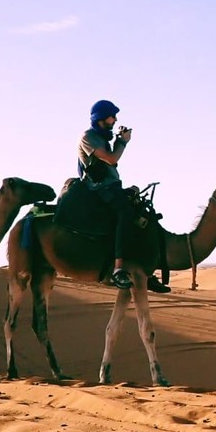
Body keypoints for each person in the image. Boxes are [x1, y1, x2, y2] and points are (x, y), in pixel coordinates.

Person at [77, 99, 171, 293]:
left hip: (111, 187)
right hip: (98, 189)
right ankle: (118, 268)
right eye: (112, 116)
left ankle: (145, 270)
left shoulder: (102, 138)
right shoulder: (88, 137)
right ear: (102, 117)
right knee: (125, 213)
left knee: (142, 215)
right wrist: (122, 142)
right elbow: (111, 159)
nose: (115, 120)